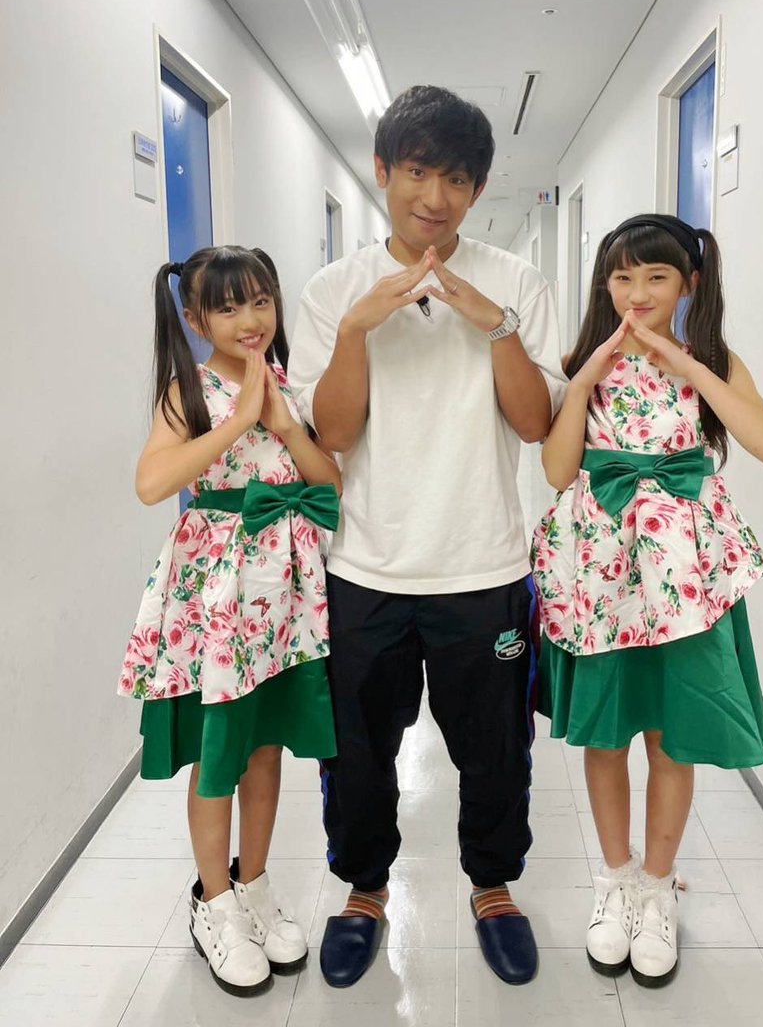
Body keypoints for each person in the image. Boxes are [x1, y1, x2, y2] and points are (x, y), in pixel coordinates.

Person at [288, 85, 567, 988]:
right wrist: (357, 331)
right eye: (417, 171)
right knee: (357, 750)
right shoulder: (333, 291)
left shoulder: (515, 282)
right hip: (364, 566)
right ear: (382, 171)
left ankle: (493, 886)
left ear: (478, 188)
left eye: (456, 179)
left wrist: (496, 325)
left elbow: (536, 425)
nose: (435, 197)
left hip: (483, 565)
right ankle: (364, 890)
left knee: (496, 747)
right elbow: (333, 434)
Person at [532, 213, 763, 987]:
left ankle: (657, 887)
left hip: (685, 579)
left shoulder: (713, 360)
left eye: (656, 277)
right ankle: (614, 882)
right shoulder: (582, 362)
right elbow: (556, 471)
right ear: (604, 284)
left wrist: (686, 364)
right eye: (622, 277)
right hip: (600, 572)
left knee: (671, 738)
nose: (637, 293)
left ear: (688, 284)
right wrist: (584, 379)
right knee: (607, 733)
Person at [118, 245, 341, 997]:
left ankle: (255, 883)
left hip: (282, 595)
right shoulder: (189, 389)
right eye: (228, 307)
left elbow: (327, 483)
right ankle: (213, 903)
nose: (250, 320)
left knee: (266, 747)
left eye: (261, 301)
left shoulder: (288, 383)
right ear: (195, 318)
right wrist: (239, 419)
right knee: (220, 754)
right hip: (217, 596)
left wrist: (283, 423)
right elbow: (153, 482)